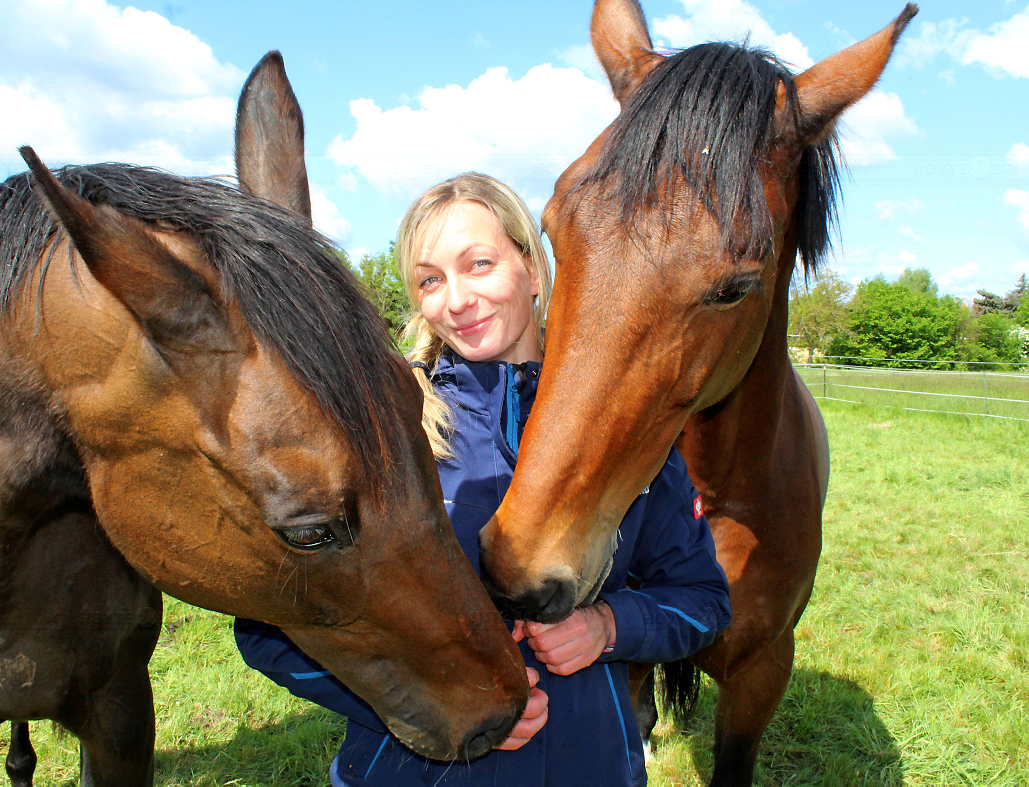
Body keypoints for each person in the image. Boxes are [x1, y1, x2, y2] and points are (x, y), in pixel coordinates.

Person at [234, 172, 732, 786]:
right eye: (430, 280)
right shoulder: (378, 428)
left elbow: (705, 603)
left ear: (532, 264)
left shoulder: (622, 434)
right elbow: (266, 628)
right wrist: (425, 704)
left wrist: (610, 626)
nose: (456, 300)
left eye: (479, 264)